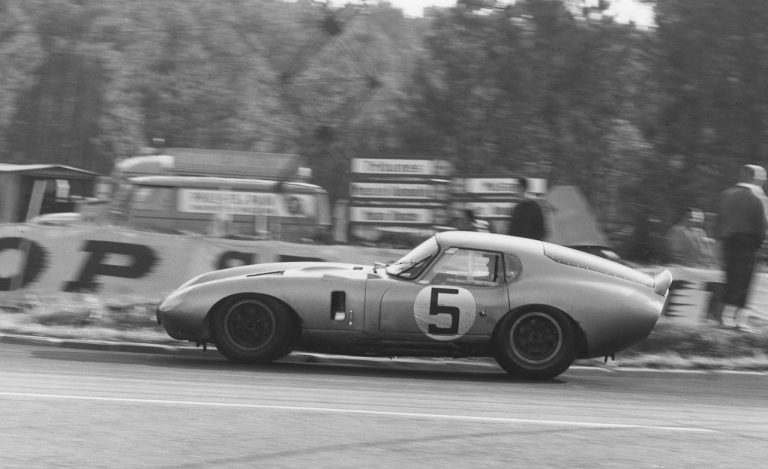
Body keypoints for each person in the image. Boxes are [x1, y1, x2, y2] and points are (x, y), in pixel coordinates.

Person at [714, 164, 767, 331]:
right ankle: (739, 320)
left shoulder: (726, 194)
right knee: (745, 282)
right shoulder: (758, 195)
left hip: (728, 242)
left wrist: (720, 241)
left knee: (730, 278)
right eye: (762, 176)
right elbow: (762, 224)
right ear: (753, 177)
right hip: (749, 243)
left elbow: (719, 221)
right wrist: (760, 246)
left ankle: (723, 318)